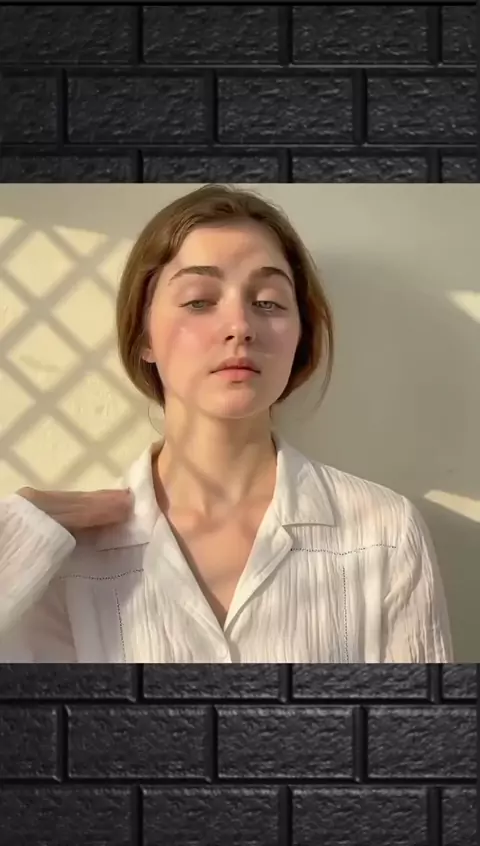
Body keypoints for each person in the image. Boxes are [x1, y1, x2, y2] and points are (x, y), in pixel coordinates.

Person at [0, 184, 453, 663]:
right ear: (143, 335)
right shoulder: (61, 559)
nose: (240, 326)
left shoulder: (384, 533)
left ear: (301, 336)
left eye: (269, 302)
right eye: (199, 301)